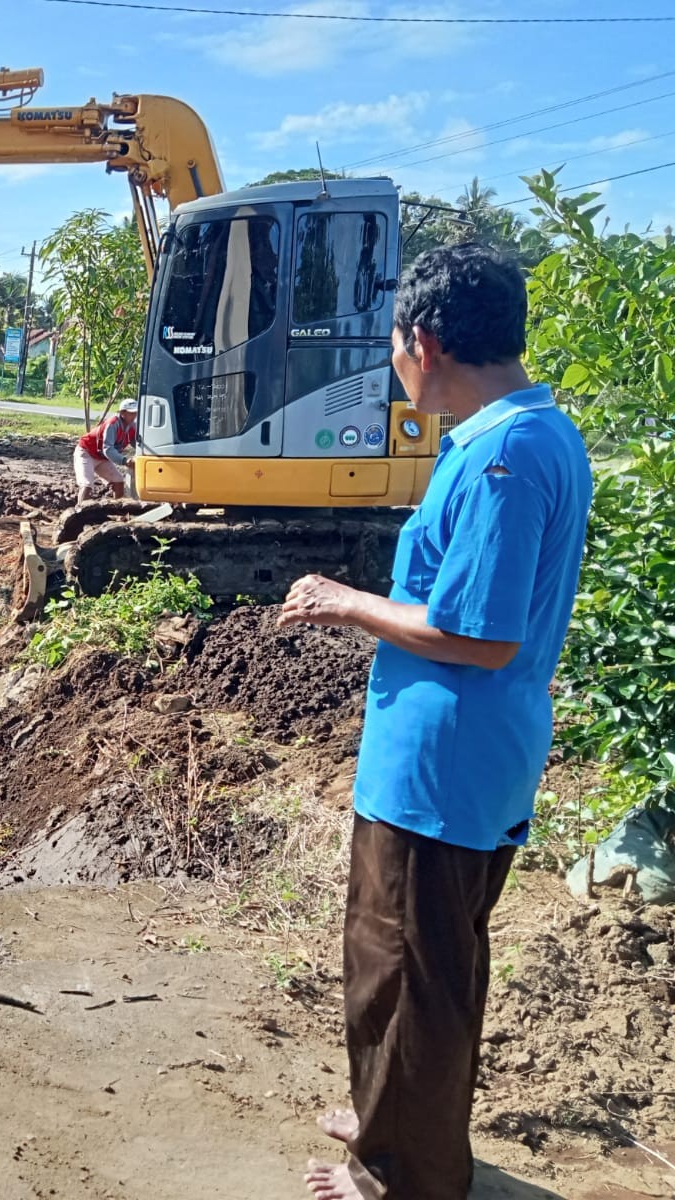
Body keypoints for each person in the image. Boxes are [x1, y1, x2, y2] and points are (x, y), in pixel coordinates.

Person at [278, 243, 591, 1200]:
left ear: (425, 340)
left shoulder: (503, 456)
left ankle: (398, 1176)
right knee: (413, 962)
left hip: (444, 769)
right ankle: (390, 1114)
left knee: (411, 970)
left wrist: (343, 600)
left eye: (395, 351)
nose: (395, 370)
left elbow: (476, 633)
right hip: (457, 759)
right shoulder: (533, 434)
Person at [72, 397, 139, 500]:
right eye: (131, 413)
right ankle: (79, 510)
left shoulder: (132, 427)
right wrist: (124, 460)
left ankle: (118, 509)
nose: (134, 416)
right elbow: (107, 449)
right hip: (86, 453)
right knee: (87, 485)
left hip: (101, 457)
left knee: (118, 481)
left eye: (135, 413)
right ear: (122, 413)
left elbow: (138, 444)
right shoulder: (112, 424)